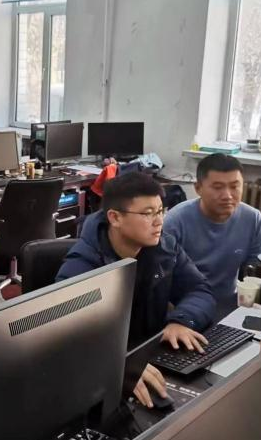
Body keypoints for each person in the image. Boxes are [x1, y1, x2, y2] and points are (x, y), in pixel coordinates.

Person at [56, 172, 216, 409]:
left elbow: (200, 290)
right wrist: (117, 364)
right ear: (115, 217)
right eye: (147, 213)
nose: (159, 221)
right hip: (107, 375)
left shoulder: (165, 248)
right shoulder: (82, 267)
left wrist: (181, 321)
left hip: (153, 357)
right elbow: (66, 337)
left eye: (160, 211)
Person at [163, 153, 261, 314]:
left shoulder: (253, 219)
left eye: (234, 186)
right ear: (198, 188)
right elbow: (162, 281)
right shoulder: (175, 221)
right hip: (187, 309)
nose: (227, 195)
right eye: (218, 187)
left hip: (230, 306)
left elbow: (256, 271)